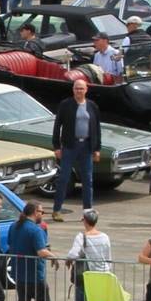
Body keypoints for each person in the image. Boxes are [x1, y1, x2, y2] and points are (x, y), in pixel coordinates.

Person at [51, 77, 103, 221]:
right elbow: (57, 126)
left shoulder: (92, 106)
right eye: (76, 88)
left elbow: (97, 128)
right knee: (64, 178)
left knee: (87, 180)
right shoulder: (66, 105)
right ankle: (56, 210)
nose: (79, 91)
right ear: (73, 90)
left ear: (86, 90)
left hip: (86, 146)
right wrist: (56, 146)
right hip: (69, 146)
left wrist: (97, 148)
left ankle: (87, 212)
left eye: (81, 88)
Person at [65, 208, 115, 301]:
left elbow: (73, 254)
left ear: (85, 221)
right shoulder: (105, 237)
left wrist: (69, 259)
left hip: (87, 278)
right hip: (102, 276)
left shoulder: (82, 236)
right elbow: (108, 257)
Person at [9, 200, 53, 301]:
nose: (42, 214)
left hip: (18, 272)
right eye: (41, 211)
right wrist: (54, 257)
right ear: (35, 212)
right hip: (34, 274)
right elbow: (41, 251)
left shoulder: (14, 226)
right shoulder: (35, 230)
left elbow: (10, 244)